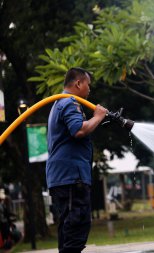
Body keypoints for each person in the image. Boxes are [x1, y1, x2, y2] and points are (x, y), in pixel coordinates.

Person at [46, 67, 107, 253]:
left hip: (63, 178)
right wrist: (98, 117)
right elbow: (79, 130)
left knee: (69, 229)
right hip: (71, 177)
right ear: (78, 83)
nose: (89, 90)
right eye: (88, 85)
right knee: (77, 225)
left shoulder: (59, 103)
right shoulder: (69, 103)